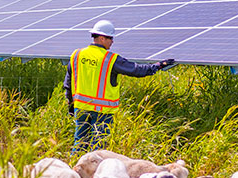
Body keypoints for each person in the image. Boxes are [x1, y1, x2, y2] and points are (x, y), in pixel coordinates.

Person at [64, 19, 175, 154]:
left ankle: (74, 166)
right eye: (110, 38)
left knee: (80, 143)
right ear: (102, 38)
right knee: (99, 148)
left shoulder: (77, 55)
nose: (112, 41)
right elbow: (136, 70)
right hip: (102, 111)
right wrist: (158, 65)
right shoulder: (110, 59)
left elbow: (68, 83)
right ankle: (95, 168)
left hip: (81, 108)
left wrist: (71, 105)